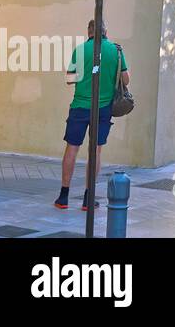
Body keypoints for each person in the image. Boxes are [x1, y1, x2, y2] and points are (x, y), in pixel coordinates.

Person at [55, 19, 128, 211]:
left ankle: (63, 197)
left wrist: (86, 73)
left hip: (79, 106)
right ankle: (88, 199)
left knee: (72, 148)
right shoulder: (116, 50)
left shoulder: (80, 50)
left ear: (88, 32)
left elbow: (69, 79)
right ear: (106, 31)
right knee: (95, 151)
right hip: (103, 108)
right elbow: (126, 79)